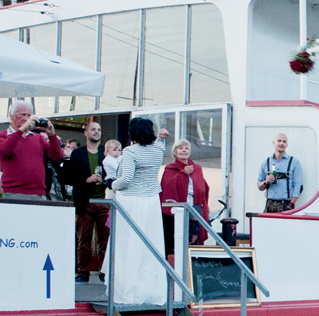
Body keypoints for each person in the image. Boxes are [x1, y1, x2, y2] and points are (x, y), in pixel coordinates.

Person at [106, 118, 172, 304]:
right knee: (150, 245)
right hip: (151, 201)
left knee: (128, 246)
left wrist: (112, 183)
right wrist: (162, 137)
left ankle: (127, 292)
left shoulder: (129, 152)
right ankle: (151, 291)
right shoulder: (158, 149)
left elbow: (126, 179)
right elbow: (160, 142)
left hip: (131, 200)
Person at [61, 121, 110, 281]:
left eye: (99, 130)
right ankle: (83, 273)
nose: (97, 132)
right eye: (93, 130)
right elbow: (70, 178)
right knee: (84, 239)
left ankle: (104, 272)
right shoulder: (78, 153)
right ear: (86, 133)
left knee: (105, 239)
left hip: (104, 200)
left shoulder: (106, 152)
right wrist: (86, 179)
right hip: (84, 201)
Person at [0, 100, 64, 199]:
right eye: (23, 115)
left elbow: (56, 156)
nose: (26, 119)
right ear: (11, 115)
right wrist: (22, 129)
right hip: (14, 192)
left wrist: (52, 135)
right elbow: (4, 150)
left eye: (29, 116)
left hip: (38, 193)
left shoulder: (37, 137)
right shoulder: (1, 135)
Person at [159, 139, 210, 251]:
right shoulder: (169, 168)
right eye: (180, 148)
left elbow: (203, 187)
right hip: (175, 209)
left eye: (186, 148)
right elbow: (167, 187)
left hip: (194, 206)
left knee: (193, 238)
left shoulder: (197, 168)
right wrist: (183, 173)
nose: (184, 151)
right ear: (175, 152)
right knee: (174, 239)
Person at [256, 133, 303, 212]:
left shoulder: (294, 162)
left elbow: (298, 186)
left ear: (287, 145)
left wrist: (291, 205)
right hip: (269, 205)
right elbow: (259, 186)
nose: (281, 143)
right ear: (274, 143)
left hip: (286, 205)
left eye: (284, 142)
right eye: (279, 141)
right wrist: (265, 182)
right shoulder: (266, 162)